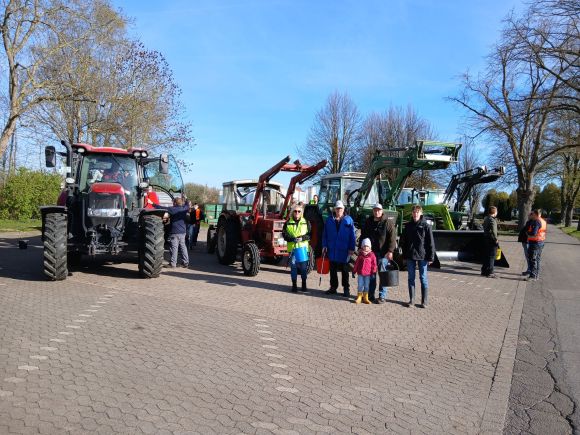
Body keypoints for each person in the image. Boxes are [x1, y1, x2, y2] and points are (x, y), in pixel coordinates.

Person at [360, 203, 397, 304]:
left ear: (382, 211)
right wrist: (361, 247)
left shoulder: (388, 223)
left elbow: (392, 238)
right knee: (371, 275)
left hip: (383, 254)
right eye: (375, 210)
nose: (377, 212)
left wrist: (390, 251)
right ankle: (370, 295)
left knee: (383, 275)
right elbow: (363, 235)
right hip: (371, 254)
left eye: (379, 210)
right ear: (373, 211)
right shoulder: (369, 222)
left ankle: (382, 296)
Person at [400, 205, 434, 308]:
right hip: (410, 256)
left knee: (423, 278)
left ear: (421, 213)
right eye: (414, 212)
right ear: (412, 213)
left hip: (422, 256)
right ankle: (412, 300)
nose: (415, 214)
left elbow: (430, 243)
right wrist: (404, 255)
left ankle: (424, 301)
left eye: (417, 212)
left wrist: (431, 257)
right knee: (411, 278)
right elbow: (403, 241)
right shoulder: (408, 226)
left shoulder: (426, 226)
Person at [322, 200, 356, 298]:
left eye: (340, 208)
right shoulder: (329, 220)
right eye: (337, 208)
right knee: (333, 269)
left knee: (345, 270)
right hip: (332, 249)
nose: (339, 210)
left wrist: (352, 248)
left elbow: (352, 235)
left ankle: (346, 289)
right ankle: (333, 287)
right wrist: (324, 245)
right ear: (334, 209)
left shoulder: (348, 220)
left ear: (343, 209)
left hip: (344, 250)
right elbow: (325, 234)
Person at [150, 196, 190, 268]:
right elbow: (187, 205)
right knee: (183, 247)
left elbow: (161, 208)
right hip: (183, 232)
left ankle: (173, 264)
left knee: (174, 247)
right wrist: (186, 199)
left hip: (175, 232)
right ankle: (185, 262)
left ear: (175, 203)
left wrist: (153, 204)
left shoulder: (172, 209)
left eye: (173, 202)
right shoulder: (184, 208)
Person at [282, 204, 312, 293]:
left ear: (301, 212)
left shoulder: (306, 222)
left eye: (299, 211)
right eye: (295, 211)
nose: (297, 213)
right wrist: (292, 239)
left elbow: (310, 235)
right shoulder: (287, 223)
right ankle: (294, 285)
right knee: (294, 268)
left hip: (303, 249)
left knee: (303, 268)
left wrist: (302, 238)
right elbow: (284, 235)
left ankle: (304, 285)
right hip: (293, 249)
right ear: (292, 212)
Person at [352, 238, 377, 304]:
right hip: (360, 273)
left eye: (367, 246)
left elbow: (374, 264)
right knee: (360, 285)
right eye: (364, 246)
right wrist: (354, 271)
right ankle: (359, 297)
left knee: (366, 286)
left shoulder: (372, 255)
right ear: (362, 247)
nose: (366, 248)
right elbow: (356, 263)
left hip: (368, 274)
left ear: (370, 247)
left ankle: (366, 297)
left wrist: (373, 272)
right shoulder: (360, 255)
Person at [525, 209, 547, 281]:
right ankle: (536, 275)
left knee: (532, 259)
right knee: (537, 259)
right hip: (541, 241)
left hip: (535, 242)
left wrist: (527, 233)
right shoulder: (543, 221)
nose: (531, 215)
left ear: (535, 214)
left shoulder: (536, 222)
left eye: (532, 214)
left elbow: (533, 233)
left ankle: (533, 276)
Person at [481, 206, 499, 278]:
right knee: (492, 256)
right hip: (491, 239)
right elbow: (494, 231)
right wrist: (496, 239)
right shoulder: (492, 220)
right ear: (494, 212)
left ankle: (484, 271)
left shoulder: (486, 218)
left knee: (486, 255)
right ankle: (490, 272)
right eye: (496, 211)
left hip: (486, 238)